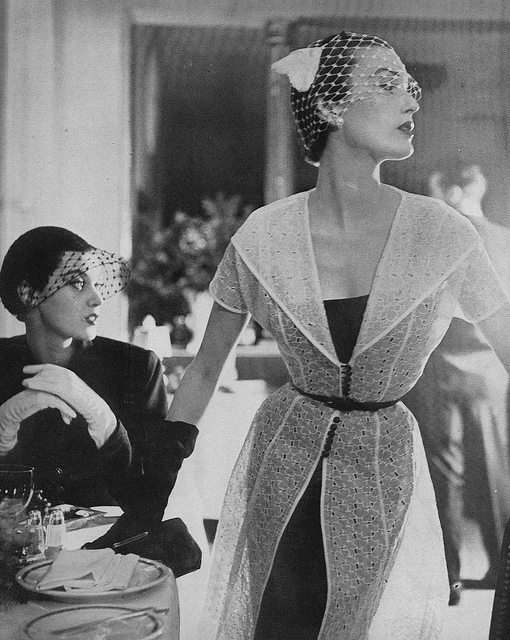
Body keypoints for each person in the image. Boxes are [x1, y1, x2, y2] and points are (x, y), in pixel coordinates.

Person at [166, 31, 510, 638]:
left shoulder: (443, 234)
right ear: (328, 105)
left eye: (412, 87)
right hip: (280, 463)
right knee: (278, 622)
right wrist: (155, 478)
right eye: (387, 83)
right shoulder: (264, 234)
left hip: (381, 467)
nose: (411, 100)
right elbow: (204, 369)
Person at [0, 226, 196, 545]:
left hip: (104, 553)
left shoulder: (136, 367)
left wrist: (101, 417)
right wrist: (2, 431)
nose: (97, 298)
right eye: (77, 283)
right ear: (28, 294)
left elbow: (148, 502)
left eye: (96, 283)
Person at [404, 165, 510, 604]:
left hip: (439, 362)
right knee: (495, 467)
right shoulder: (505, 239)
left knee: (443, 470)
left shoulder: (435, 239)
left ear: (447, 190)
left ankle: (449, 578)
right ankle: (502, 570)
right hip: (491, 366)